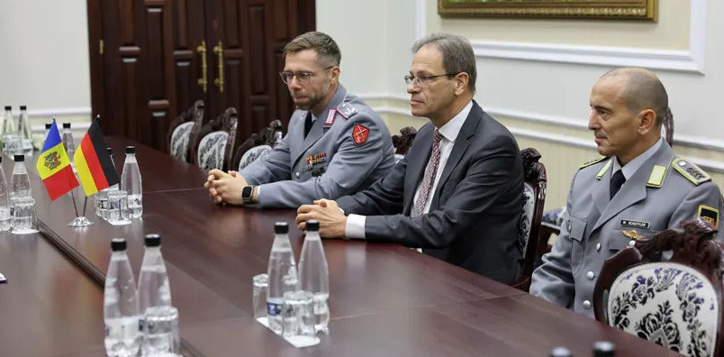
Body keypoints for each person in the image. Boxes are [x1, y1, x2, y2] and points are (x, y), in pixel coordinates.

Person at [296, 34, 525, 283]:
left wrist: (346, 224)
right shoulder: (428, 134)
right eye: (411, 77)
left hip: (471, 285)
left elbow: (444, 226)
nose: (411, 88)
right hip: (412, 265)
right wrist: (333, 209)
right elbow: (384, 195)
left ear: (459, 83)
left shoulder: (493, 145)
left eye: (424, 78)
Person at [529, 67, 724, 316]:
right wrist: (541, 320)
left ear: (644, 122)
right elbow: (557, 270)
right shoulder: (586, 178)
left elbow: (680, 304)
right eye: (592, 109)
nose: (591, 123)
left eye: (604, 113)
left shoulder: (692, 193)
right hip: (568, 327)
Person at [204, 31, 394, 208]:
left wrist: (249, 193)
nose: (293, 85)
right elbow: (274, 164)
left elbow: (326, 190)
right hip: (308, 220)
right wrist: (234, 181)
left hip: (354, 226)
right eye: (289, 75)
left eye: (304, 75)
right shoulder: (302, 115)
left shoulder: (359, 124)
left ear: (333, 75)